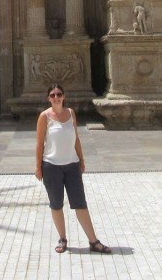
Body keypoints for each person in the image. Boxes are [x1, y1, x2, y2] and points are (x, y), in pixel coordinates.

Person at [35, 84, 111, 254]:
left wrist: (81, 159)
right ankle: (62, 239)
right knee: (56, 204)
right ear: (49, 98)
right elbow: (39, 143)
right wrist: (38, 167)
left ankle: (94, 241)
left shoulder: (70, 113)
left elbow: (76, 138)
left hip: (72, 165)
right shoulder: (44, 116)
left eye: (59, 94)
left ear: (64, 96)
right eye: (53, 95)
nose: (56, 97)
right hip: (51, 165)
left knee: (80, 203)